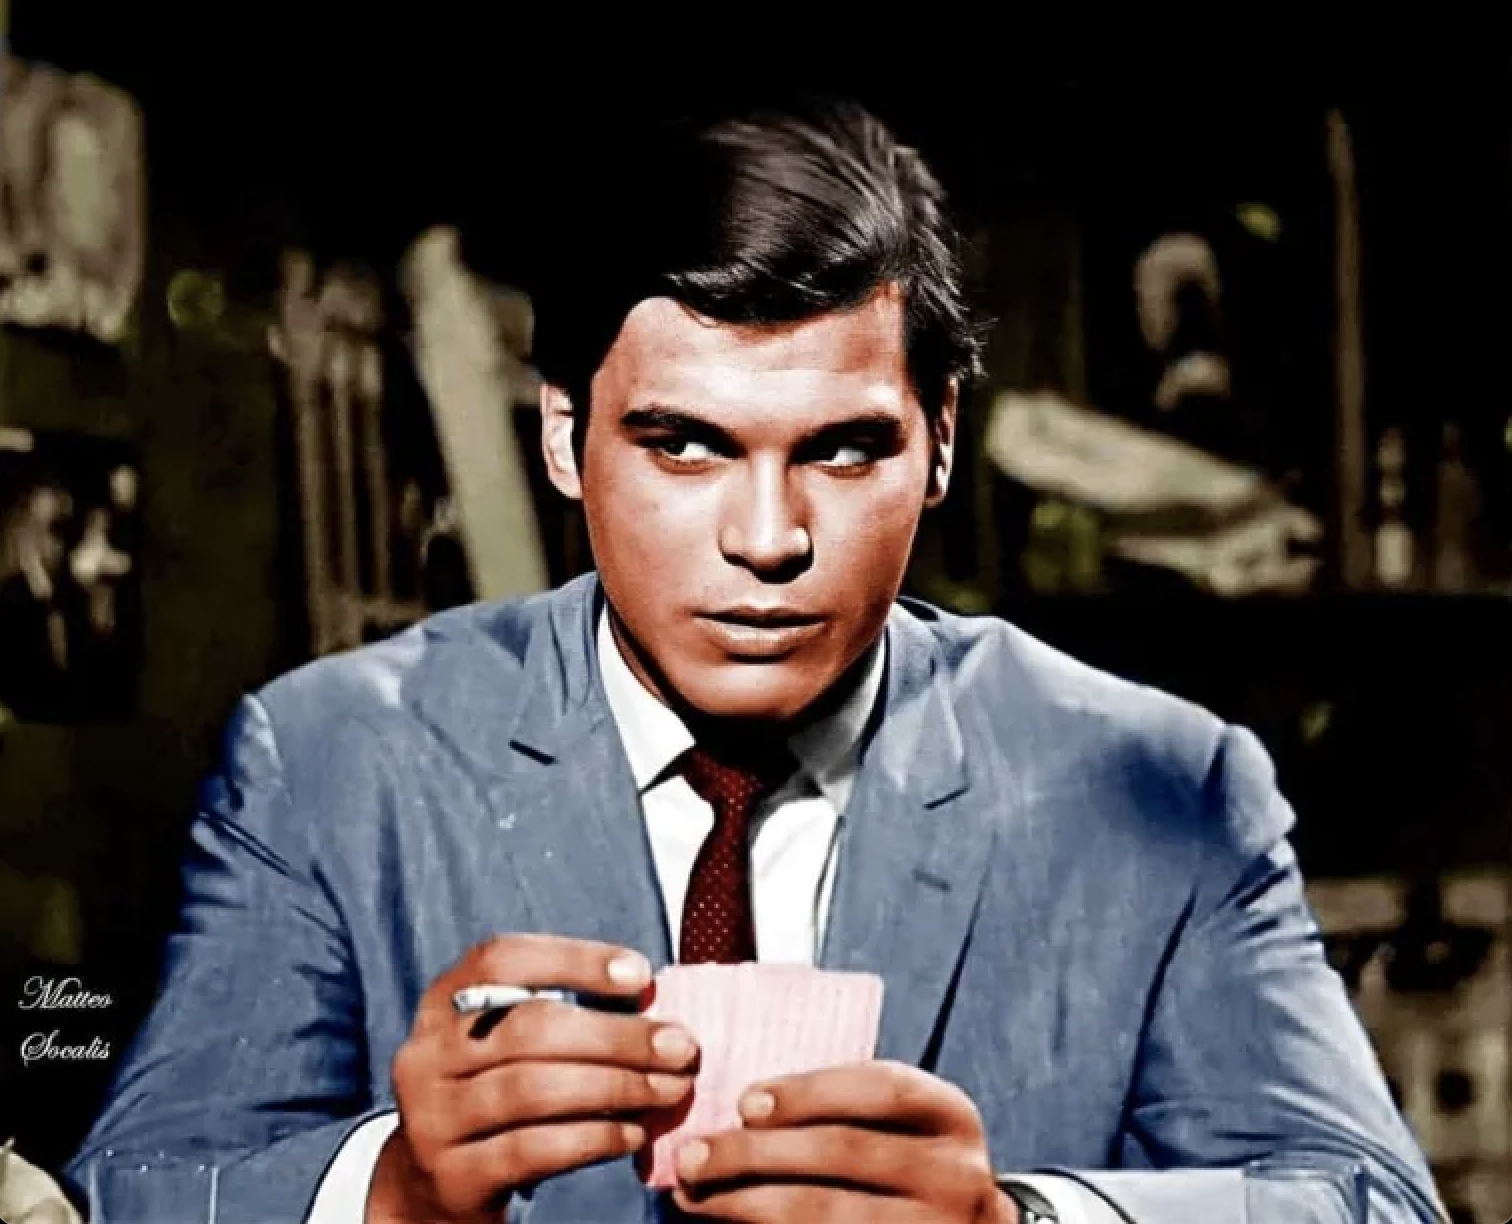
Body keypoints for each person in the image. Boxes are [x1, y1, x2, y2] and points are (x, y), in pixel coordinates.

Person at [64, 99, 1443, 1224]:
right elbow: (129, 1193)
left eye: (842, 451)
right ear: (561, 439)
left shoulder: (1166, 787)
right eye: (683, 446)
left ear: (941, 443)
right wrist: (393, 1192)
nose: (769, 540)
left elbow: (1370, 1203)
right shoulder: (331, 763)